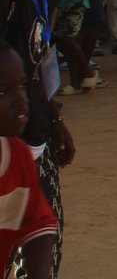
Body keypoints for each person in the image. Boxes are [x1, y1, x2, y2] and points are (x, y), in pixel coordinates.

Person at [0, 0, 73, 279]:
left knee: (45, 234)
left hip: (37, 128)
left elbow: (38, 58)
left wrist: (55, 118)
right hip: (9, 139)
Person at [0, 40, 58, 275]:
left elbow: (39, 228)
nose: (21, 99)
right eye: (3, 91)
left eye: (22, 86)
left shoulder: (17, 157)